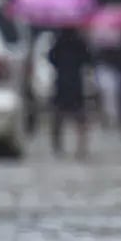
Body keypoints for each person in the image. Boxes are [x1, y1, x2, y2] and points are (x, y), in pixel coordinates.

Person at [47, 28, 93, 158]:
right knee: (79, 116)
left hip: (62, 82)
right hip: (75, 83)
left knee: (59, 117)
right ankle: (81, 146)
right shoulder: (79, 42)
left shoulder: (58, 42)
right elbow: (88, 59)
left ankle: (58, 145)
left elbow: (51, 59)